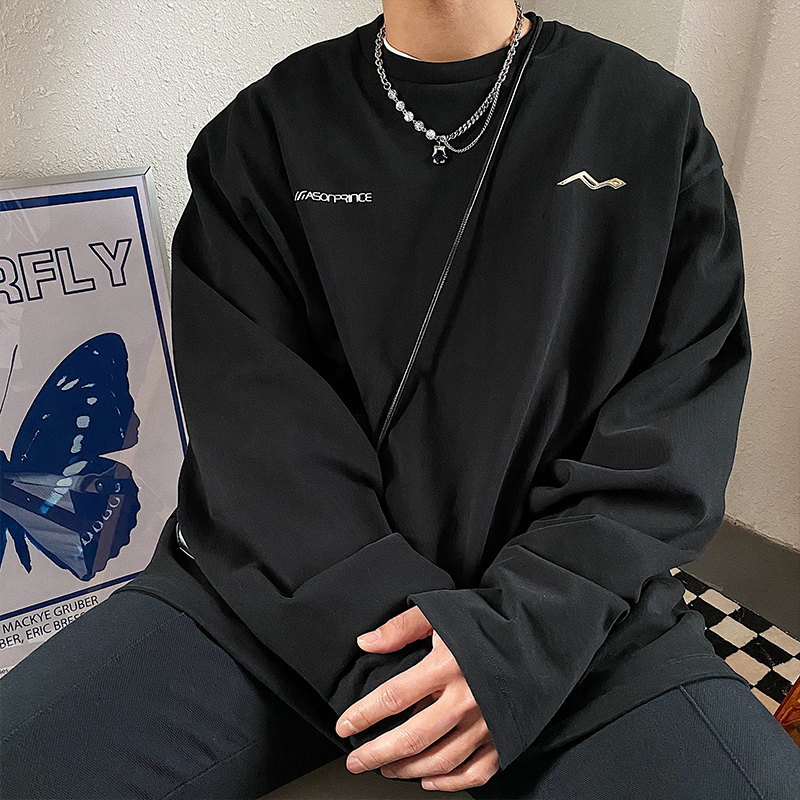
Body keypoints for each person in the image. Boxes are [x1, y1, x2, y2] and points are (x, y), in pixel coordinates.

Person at [2, 1, 799, 797]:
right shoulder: (263, 133)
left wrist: (512, 645)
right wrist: (415, 666)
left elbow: (672, 429)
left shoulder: (649, 121)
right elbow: (255, 435)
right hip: (268, 602)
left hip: (571, 621)